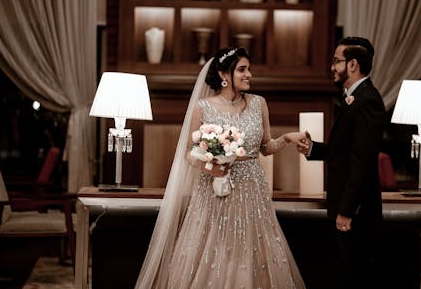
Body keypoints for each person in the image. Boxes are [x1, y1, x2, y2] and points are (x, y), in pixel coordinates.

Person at [136, 47, 307, 288]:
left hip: (252, 190)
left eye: (249, 69)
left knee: (252, 248)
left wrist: (288, 137)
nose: (249, 74)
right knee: (215, 249)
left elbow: (266, 147)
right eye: (242, 69)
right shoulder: (203, 107)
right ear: (224, 74)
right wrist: (210, 168)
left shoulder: (259, 103)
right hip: (215, 192)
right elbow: (188, 152)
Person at [298, 37, 387, 289]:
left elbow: (363, 162)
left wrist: (347, 211)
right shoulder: (354, 98)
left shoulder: (367, 101)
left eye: (336, 61)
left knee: (357, 275)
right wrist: (313, 149)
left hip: (356, 211)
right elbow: (345, 152)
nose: (332, 66)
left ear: (353, 64)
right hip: (345, 206)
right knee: (346, 273)